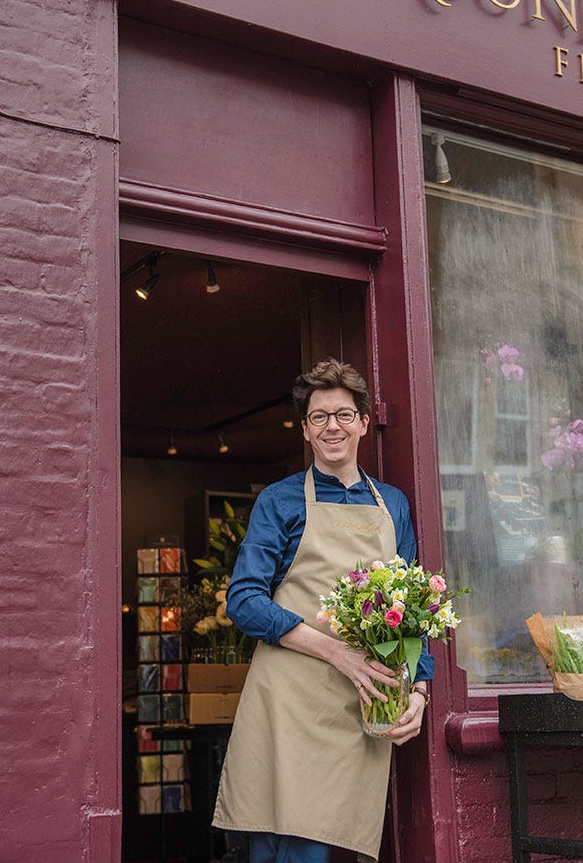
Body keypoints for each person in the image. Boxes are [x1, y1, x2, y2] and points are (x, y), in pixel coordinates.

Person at [213, 359, 432, 863]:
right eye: (318, 417)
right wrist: (339, 652)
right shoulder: (280, 500)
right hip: (289, 702)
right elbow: (244, 601)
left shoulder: (393, 504)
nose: (332, 425)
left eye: (343, 414)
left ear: (362, 423)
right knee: (276, 846)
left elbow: (414, 611)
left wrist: (418, 690)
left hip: (361, 705)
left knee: (325, 848)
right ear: (307, 431)